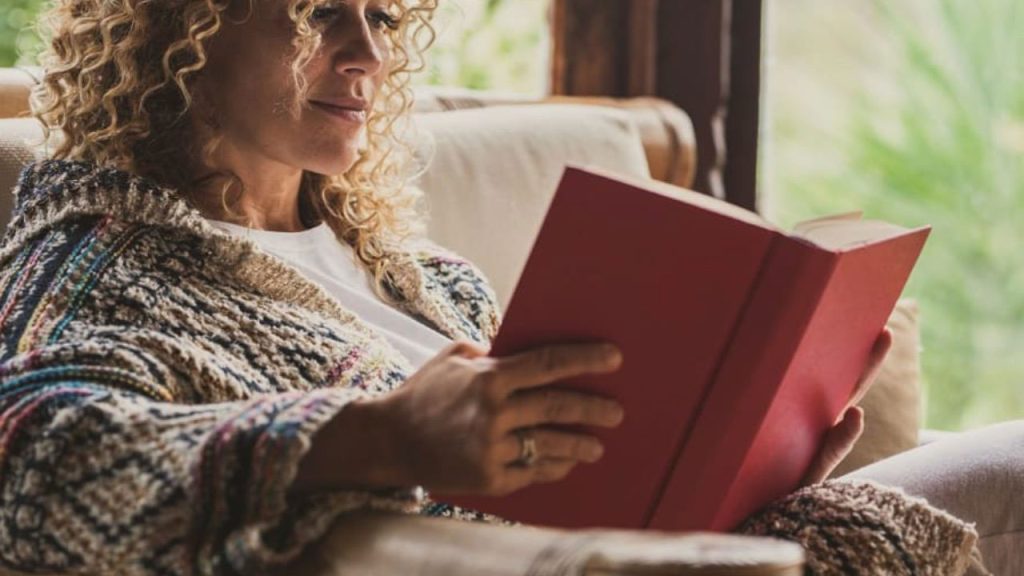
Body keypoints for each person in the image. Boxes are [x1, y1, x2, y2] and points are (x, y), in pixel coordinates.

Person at [0, 0, 1010, 574]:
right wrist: (382, 437)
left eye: (383, 15)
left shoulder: (426, 278)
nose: (367, 55)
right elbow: (37, 471)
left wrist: (759, 455)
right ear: (176, 27)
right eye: (316, 12)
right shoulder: (95, 266)